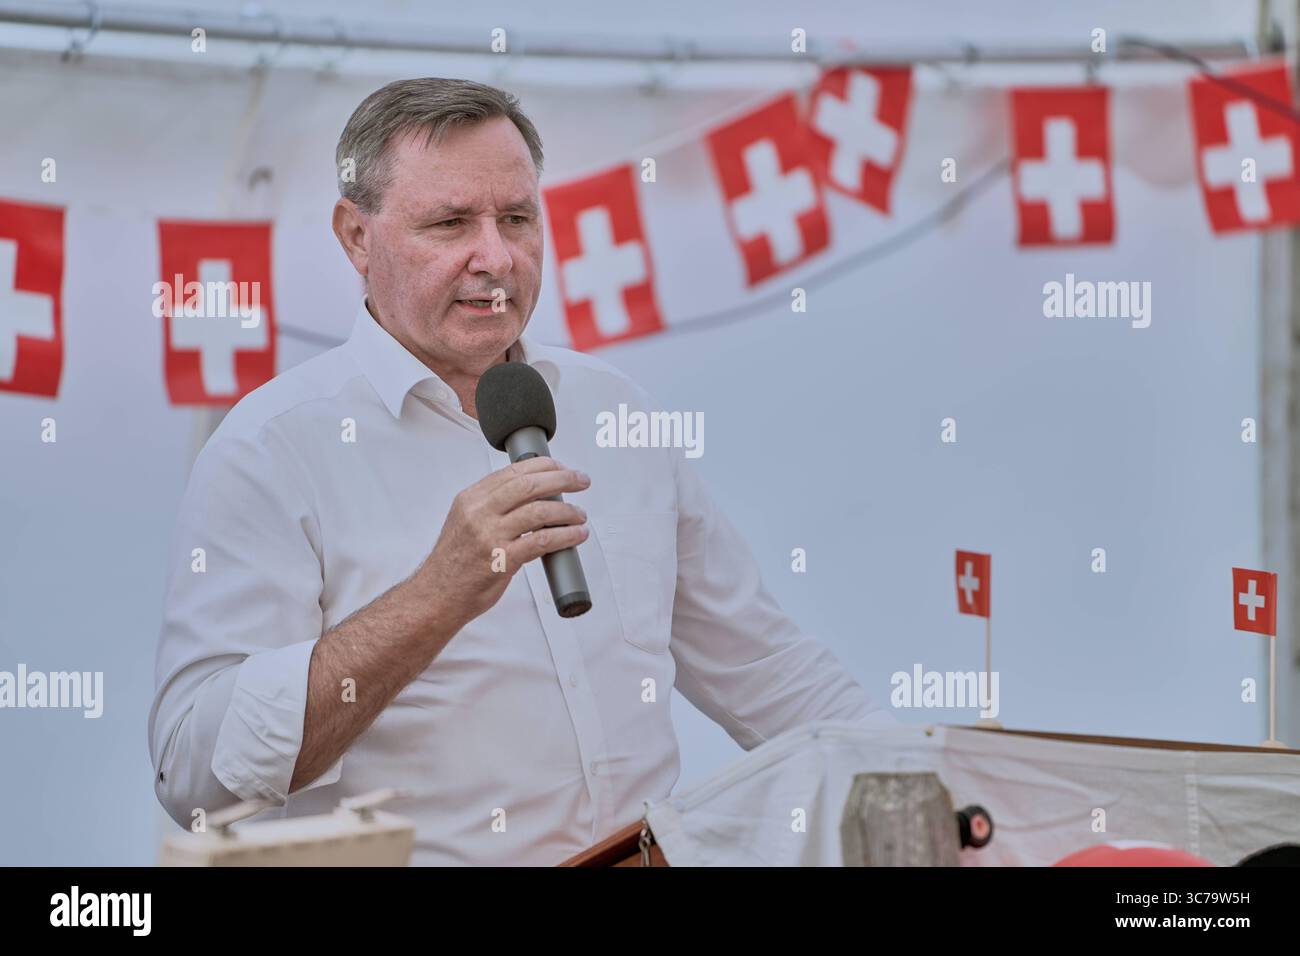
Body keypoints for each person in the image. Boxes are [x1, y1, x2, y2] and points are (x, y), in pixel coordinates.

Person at [148, 77, 892, 865]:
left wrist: (932, 784)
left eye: (516, 218)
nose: (495, 257)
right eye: (449, 224)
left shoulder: (618, 412)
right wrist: (437, 595)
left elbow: (769, 672)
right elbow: (197, 777)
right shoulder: (271, 449)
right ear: (356, 237)